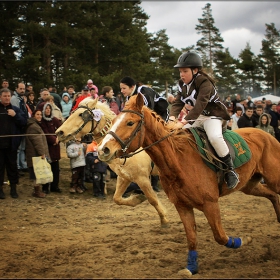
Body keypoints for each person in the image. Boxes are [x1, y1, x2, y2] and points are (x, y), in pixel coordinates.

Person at [169, 51, 239, 189]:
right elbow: (178, 103)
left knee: (214, 137)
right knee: (179, 137)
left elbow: (200, 104)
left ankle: (230, 170)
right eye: (180, 71)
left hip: (213, 116)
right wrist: (171, 118)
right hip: (198, 116)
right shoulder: (181, 84)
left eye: (185, 71)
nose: (182, 74)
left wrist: (183, 121)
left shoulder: (204, 82)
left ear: (195, 70)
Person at [0, 88, 27, 199]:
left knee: (12, 167)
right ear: (0, 97)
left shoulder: (15, 109)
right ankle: (0, 189)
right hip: (0, 146)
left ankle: (13, 189)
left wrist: (15, 115)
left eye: (8, 96)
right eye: (5, 96)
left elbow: (24, 122)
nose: (7, 98)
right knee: (0, 168)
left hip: (12, 145)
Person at [25, 109, 50, 198]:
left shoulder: (35, 125)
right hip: (35, 155)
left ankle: (37, 191)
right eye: (37, 114)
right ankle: (37, 192)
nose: (39, 116)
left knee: (37, 173)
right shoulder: (33, 127)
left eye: (40, 114)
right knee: (37, 174)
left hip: (36, 154)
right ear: (33, 116)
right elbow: (37, 142)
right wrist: (42, 153)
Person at [39, 102, 62, 193]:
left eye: (49, 108)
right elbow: (45, 133)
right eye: (46, 108)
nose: (48, 110)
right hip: (47, 147)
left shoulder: (55, 120)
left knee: (55, 169)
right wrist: (53, 140)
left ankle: (54, 186)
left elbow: (61, 130)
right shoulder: (42, 121)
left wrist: (58, 139)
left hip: (55, 148)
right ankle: (45, 187)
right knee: (46, 168)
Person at [11, 82, 29, 174]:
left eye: (23, 89)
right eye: (20, 89)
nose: (22, 90)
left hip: (23, 125)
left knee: (22, 147)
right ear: (16, 89)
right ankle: (17, 166)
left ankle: (23, 165)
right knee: (18, 148)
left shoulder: (21, 98)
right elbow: (17, 113)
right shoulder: (14, 99)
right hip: (17, 125)